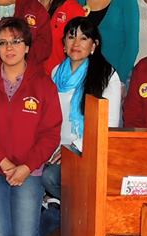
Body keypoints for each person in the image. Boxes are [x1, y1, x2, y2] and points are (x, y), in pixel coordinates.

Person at [0, 18, 61, 236]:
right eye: (2, 43)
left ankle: (53, 211)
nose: (9, 48)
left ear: (27, 47)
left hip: (28, 168)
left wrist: (27, 167)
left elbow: (51, 134)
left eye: (16, 41)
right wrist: (2, 162)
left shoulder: (44, 85)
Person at [46, 18, 121, 198]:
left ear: (94, 45)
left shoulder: (107, 75)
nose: (76, 43)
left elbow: (108, 125)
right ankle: (58, 206)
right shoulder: (56, 72)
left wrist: (72, 148)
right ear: (64, 43)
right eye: (71, 37)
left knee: (49, 177)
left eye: (84, 38)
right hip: (54, 146)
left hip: (85, 149)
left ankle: (71, 208)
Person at [36, 0, 87, 74]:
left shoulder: (73, 9)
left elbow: (82, 48)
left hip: (60, 75)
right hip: (32, 74)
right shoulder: (29, 7)